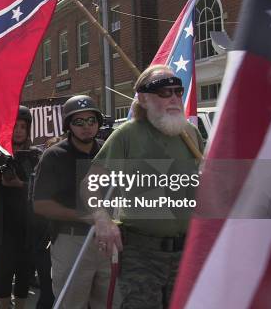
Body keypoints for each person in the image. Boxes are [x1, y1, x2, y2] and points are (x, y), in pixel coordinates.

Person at [87, 65, 204, 308]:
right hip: (142, 253)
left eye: (177, 91)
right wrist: (102, 219)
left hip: (186, 251)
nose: (174, 98)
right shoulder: (127, 134)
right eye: (164, 92)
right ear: (143, 98)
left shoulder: (190, 133)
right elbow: (90, 182)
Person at [33, 95, 120, 308]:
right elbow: (40, 205)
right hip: (71, 241)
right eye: (78, 122)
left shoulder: (107, 152)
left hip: (108, 243)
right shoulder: (53, 156)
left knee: (111, 303)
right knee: (71, 303)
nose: (86, 127)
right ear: (68, 125)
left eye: (91, 121)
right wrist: (86, 217)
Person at [0, 106, 42, 309]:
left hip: (27, 230)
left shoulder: (36, 156)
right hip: (3, 231)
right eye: (14, 126)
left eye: (23, 127)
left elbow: (43, 191)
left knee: (23, 281)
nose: (18, 131)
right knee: (2, 284)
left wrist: (20, 185)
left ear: (28, 130)